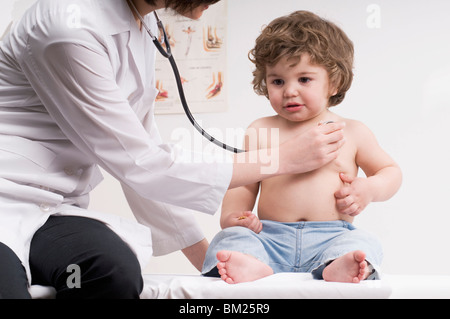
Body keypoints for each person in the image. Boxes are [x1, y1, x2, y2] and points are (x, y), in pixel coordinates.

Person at [0, 1, 346, 299]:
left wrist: (209, 263)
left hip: (54, 211)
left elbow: (141, 152)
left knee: (112, 271)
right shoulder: (67, 26)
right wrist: (281, 159)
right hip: (5, 198)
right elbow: (141, 165)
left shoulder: (140, 20)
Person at [202, 10, 402, 284]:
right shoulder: (260, 130)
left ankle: (336, 265)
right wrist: (233, 217)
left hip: (332, 236)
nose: (289, 91)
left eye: (304, 79)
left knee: (364, 242)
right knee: (229, 239)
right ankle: (251, 263)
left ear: (334, 82)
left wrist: (369, 189)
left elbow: (390, 171)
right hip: (269, 237)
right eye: (277, 81)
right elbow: (243, 183)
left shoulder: (353, 131)